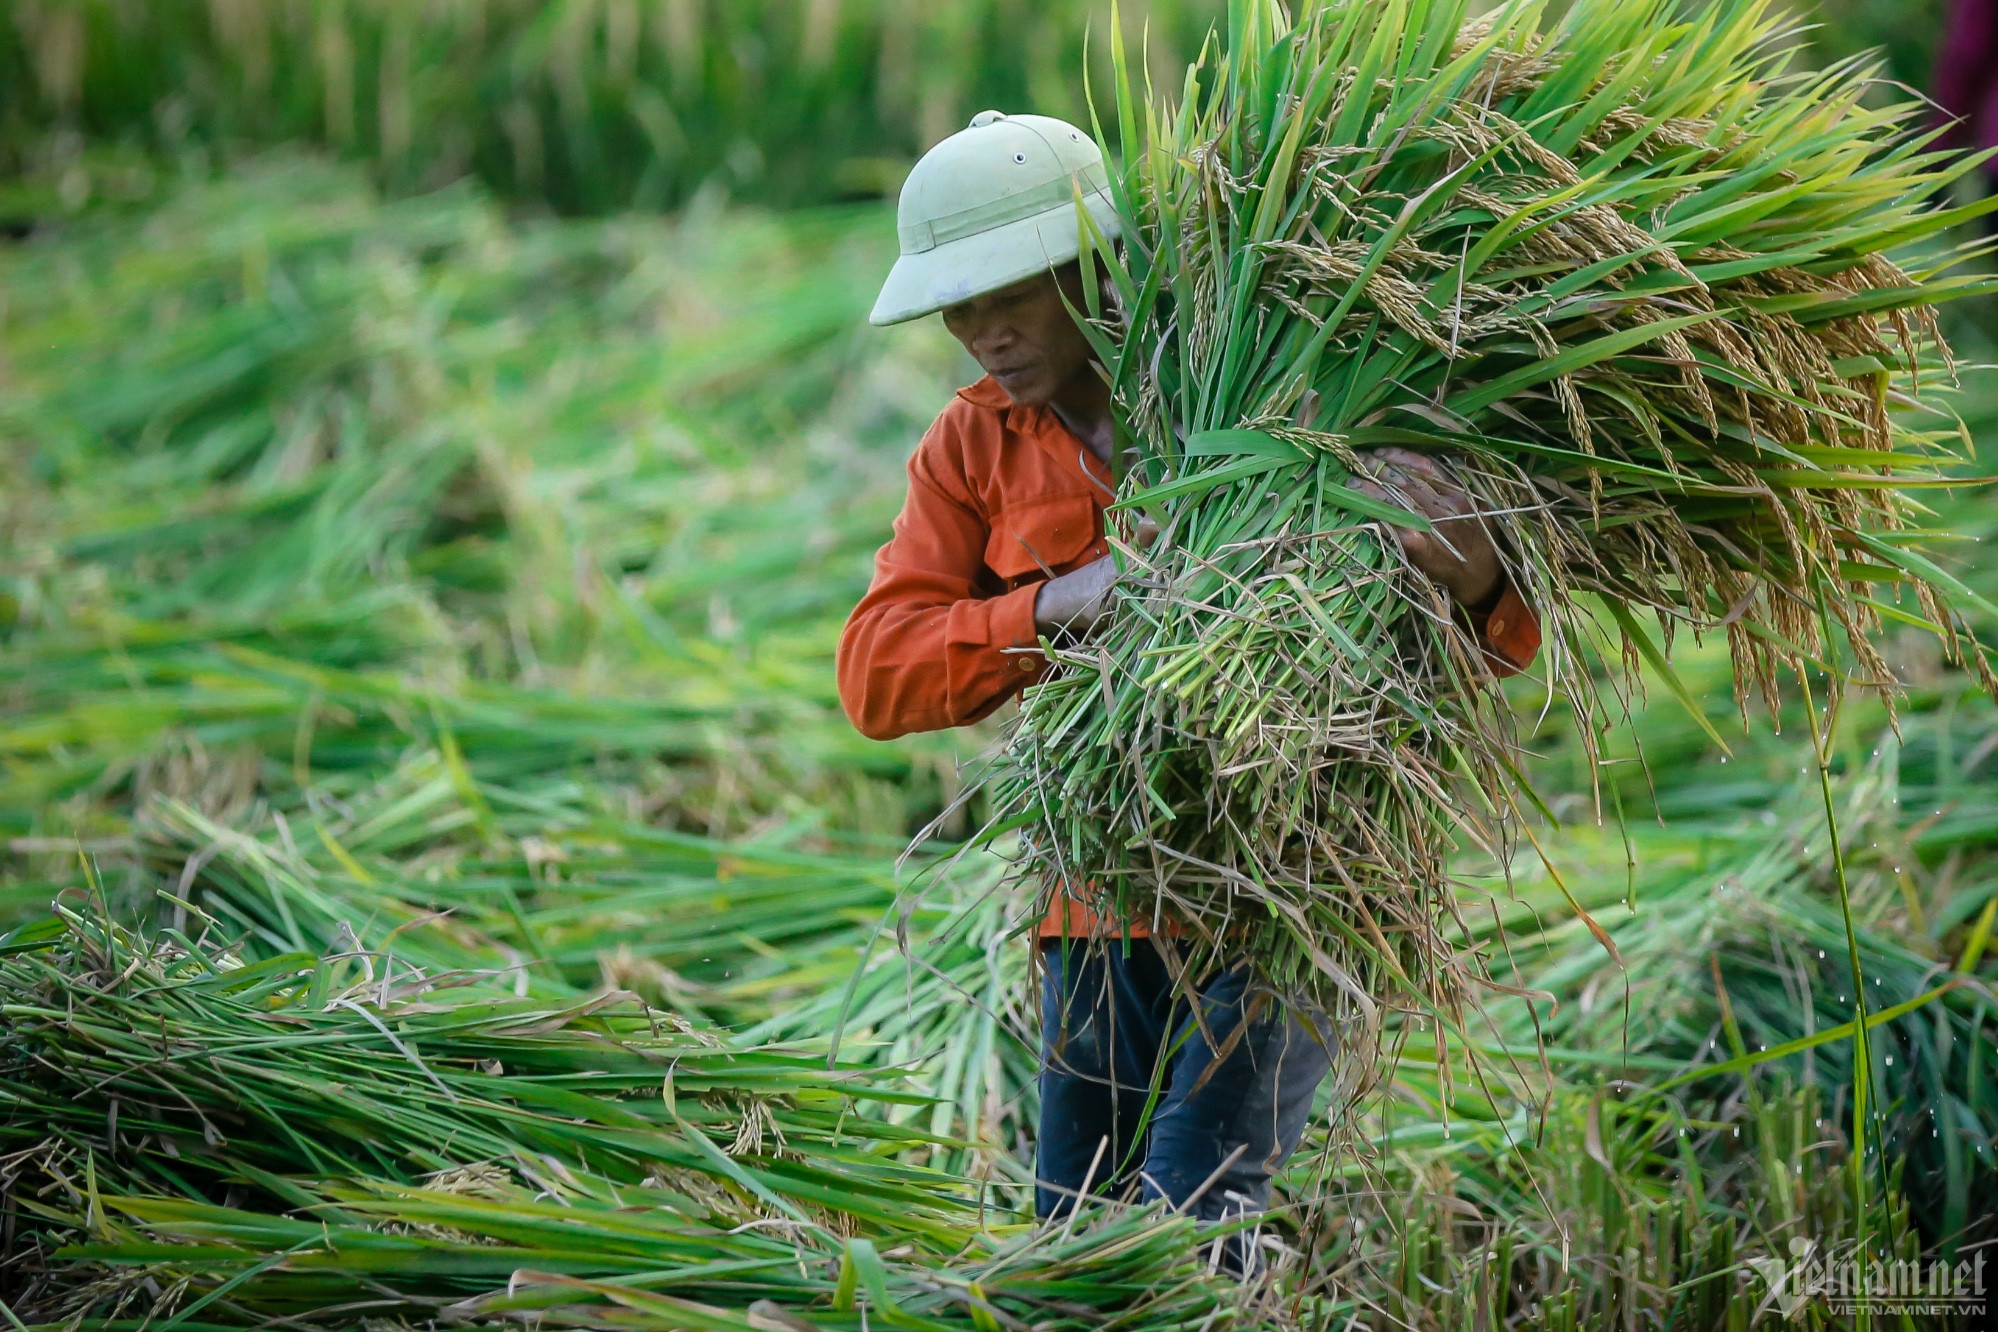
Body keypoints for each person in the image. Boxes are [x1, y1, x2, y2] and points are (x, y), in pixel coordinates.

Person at [836, 111, 1541, 1261]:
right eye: (955, 305)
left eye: (1008, 292)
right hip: (1102, 888)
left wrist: (1469, 568)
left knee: (1195, 1216)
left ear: (1092, 262)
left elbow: (1498, 643)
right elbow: (875, 676)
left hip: (1301, 880)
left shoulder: (1274, 377)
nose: (981, 330)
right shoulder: (969, 449)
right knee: (1072, 1237)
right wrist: (1057, 604)